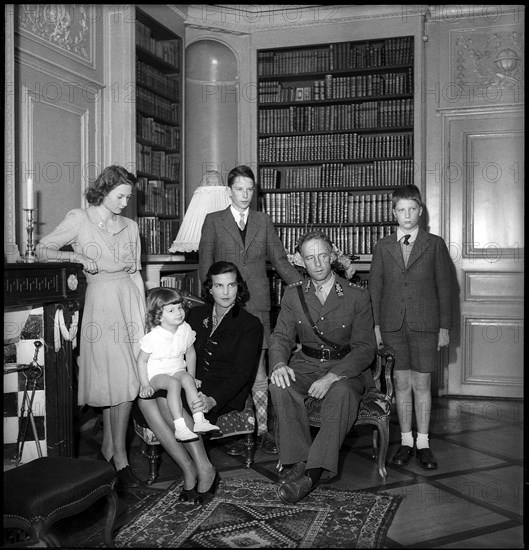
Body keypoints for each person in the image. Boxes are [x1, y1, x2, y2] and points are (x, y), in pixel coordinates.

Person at [35, 165, 145, 490]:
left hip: (129, 302)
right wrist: (79, 260)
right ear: (105, 189)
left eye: (128, 197)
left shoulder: (130, 227)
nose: (125, 202)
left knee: (127, 378)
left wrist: (144, 315)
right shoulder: (79, 218)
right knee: (118, 377)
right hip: (100, 303)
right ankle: (120, 457)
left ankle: (111, 448)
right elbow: (42, 249)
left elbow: (136, 272)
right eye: (120, 195)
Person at [135, 261, 262, 504]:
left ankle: (205, 468)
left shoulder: (250, 324)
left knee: (164, 401)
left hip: (222, 388)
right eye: (219, 285)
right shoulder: (194, 314)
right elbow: (174, 347)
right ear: (210, 288)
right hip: (188, 380)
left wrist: (213, 398)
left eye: (231, 285)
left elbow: (242, 373)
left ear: (238, 287)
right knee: (145, 402)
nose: (225, 292)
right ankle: (189, 468)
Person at [198, 165, 301, 454]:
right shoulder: (213, 221)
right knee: (231, 371)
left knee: (258, 373)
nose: (244, 195)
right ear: (229, 191)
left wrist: (305, 288)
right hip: (225, 309)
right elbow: (205, 268)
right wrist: (211, 307)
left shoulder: (263, 221)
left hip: (257, 308)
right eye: (239, 189)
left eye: (249, 189)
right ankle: (234, 429)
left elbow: (280, 260)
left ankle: (263, 430)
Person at [269, 231, 376, 504]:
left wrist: (332, 376)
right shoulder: (294, 296)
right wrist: (280, 363)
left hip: (345, 367)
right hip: (306, 363)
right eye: (309, 257)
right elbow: (281, 337)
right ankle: (300, 461)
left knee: (341, 393)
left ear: (332, 256)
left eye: (322, 256)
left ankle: (312, 474)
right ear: (301, 262)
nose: (317, 263)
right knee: (280, 385)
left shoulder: (356, 295)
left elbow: (365, 348)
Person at [369, 184, 452, 470]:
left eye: (412, 210)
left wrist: (444, 327)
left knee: (422, 383)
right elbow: (375, 288)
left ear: (420, 211)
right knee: (401, 384)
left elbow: (446, 288)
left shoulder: (435, 244)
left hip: (426, 326)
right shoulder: (383, 246)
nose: (407, 215)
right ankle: (406, 440)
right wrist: (377, 326)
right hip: (393, 326)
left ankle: (424, 443)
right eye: (401, 210)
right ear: (394, 212)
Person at [137, 287, 220, 442]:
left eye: (180, 307)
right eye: (171, 310)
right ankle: (180, 427)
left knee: (187, 379)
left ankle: (199, 420)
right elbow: (141, 360)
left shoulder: (185, 329)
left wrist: (192, 376)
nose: (179, 312)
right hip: (156, 375)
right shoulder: (154, 336)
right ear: (159, 316)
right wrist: (144, 384)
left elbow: (190, 353)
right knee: (174, 384)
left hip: (176, 369)